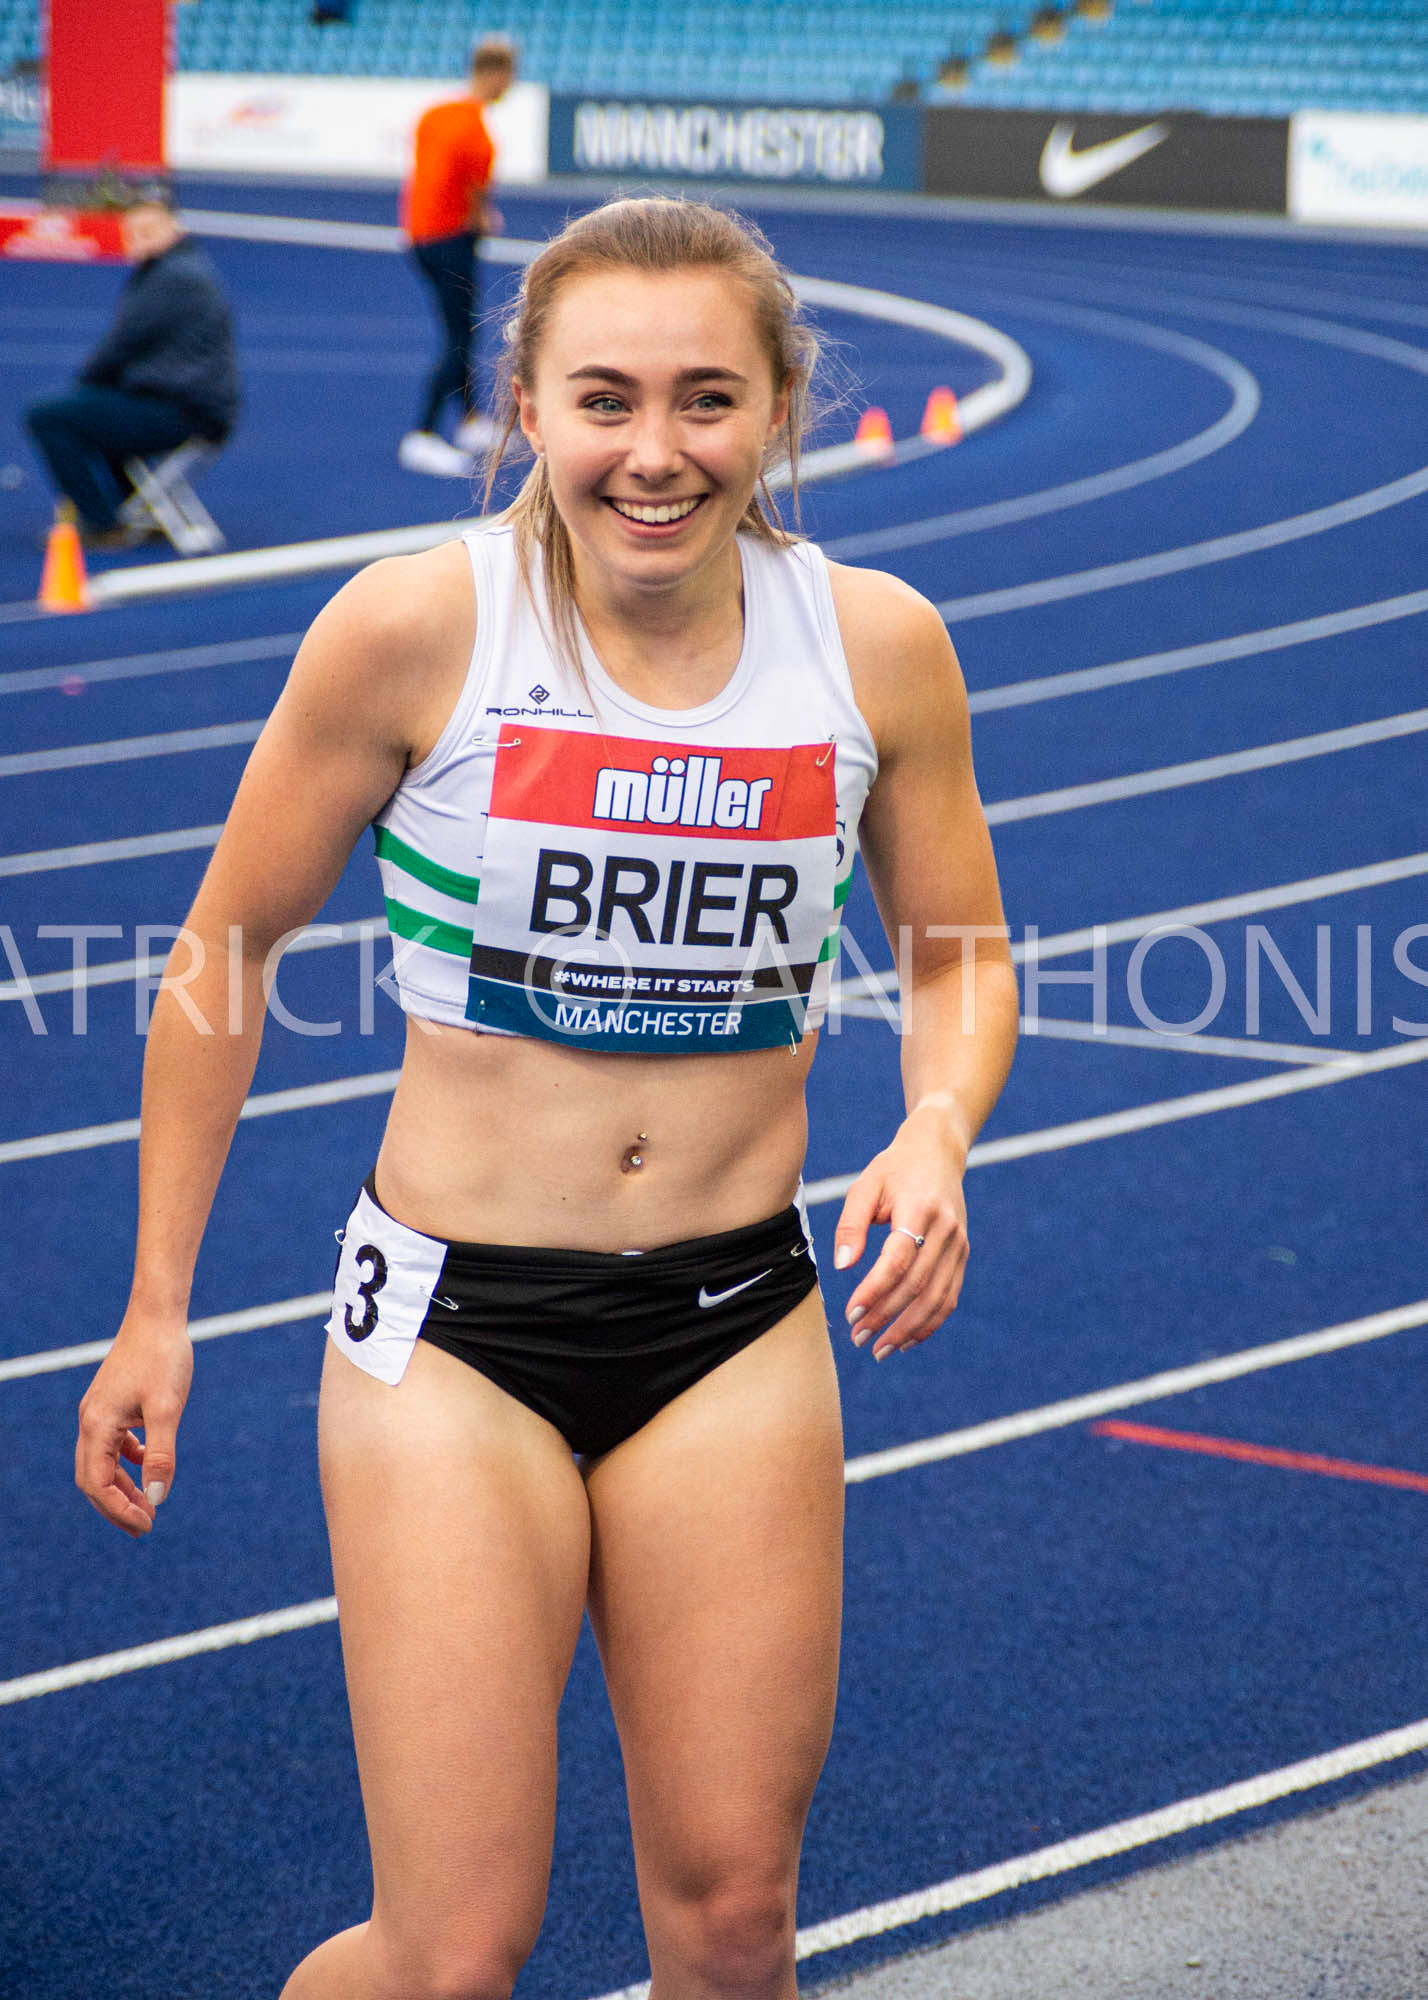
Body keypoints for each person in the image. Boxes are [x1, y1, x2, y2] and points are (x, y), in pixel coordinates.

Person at [74, 196, 1019, 2000]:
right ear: (524, 404)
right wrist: (154, 1308)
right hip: (451, 1334)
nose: (654, 453)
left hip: (735, 1324)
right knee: (448, 1954)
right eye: (603, 399)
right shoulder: (413, 629)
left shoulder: (876, 645)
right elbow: (220, 956)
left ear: (780, 410)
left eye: (704, 400)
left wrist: (934, 1127)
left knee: (735, 1921)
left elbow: (962, 961)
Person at [25, 185, 238, 548]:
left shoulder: (172, 278)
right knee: (95, 411)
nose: (138, 241)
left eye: (149, 231)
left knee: (48, 417)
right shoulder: (181, 268)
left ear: (175, 229)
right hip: (192, 403)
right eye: (133, 233)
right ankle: (130, 508)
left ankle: (102, 522)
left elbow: (120, 346)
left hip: (185, 410)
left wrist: (84, 388)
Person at [397, 35, 515, 479]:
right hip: (451, 239)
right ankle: (422, 435)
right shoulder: (478, 134)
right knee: (459, 337)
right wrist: (484, 216)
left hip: (418, 236)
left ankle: (469, 419)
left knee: (458, 327)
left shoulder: (436, 114)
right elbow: (477, 199)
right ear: (497, 74)